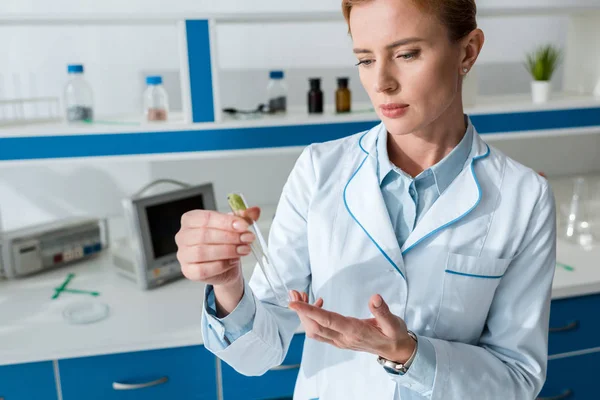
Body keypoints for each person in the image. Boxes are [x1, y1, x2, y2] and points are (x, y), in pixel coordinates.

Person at [175, 0, 556, 398]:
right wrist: (228, 286)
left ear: (468, 51)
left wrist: (407, 354)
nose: (382, 83)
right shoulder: (319, 169)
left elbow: (517, 379)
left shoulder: (524, 197)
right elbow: (257, 355)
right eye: (365, 60)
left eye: (406, 54)